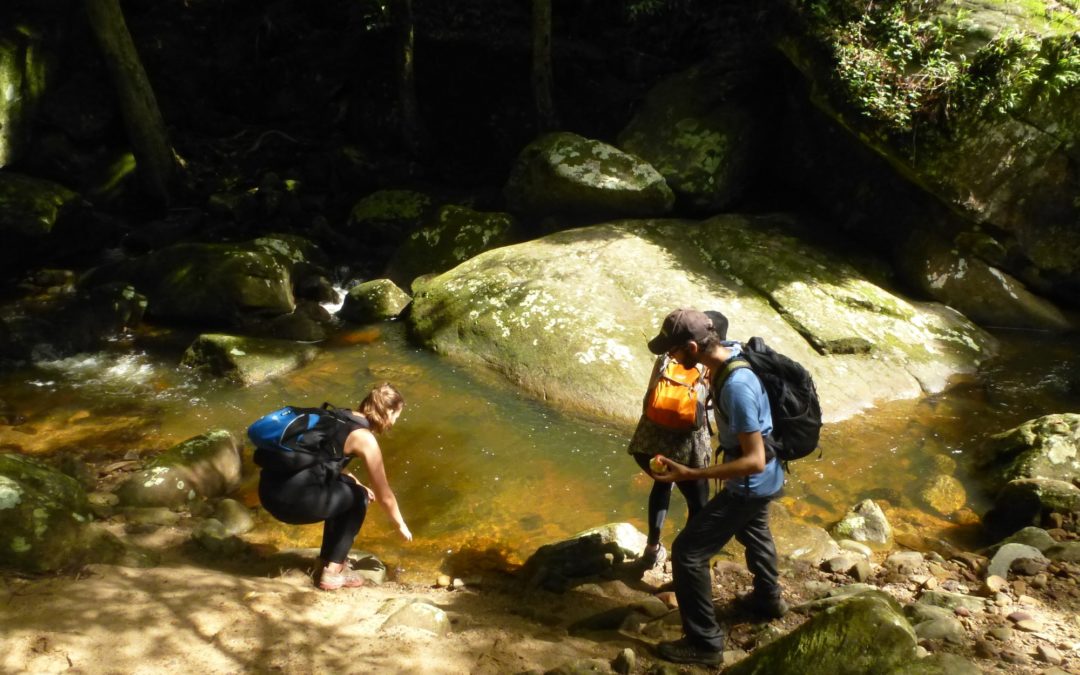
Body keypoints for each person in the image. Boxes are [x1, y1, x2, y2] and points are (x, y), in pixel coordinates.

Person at [646, 308, 786, 667]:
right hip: (769, 476)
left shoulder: (736, 386)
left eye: (675, 351)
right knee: (755, 532)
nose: (672, 358)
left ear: (693, 346)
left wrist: (689, 474)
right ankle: (769, 600)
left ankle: (705, 644)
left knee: (689, 553)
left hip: (752, 480)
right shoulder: (728, 356)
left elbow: (753, 459)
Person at [257, 383, 413, 591]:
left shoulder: (334, 416)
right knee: (358, 498)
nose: (394, 421)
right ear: (389, 411)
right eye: (396, 416)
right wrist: (400, 525)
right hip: (293, 504)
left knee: (350, 489)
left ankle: (324, 562)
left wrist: (355, 482)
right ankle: (333, 571)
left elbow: (324, 461)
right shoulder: (364, 439)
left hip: (269, 493)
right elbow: (385, 495)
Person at [626, 311, 730, 570]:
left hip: (652, 437)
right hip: (690, 443)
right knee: (698, 502)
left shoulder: (668, 354)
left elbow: (650, 393)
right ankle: (690, 561)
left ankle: (651, 548)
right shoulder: (707, 362)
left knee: (661, 486)